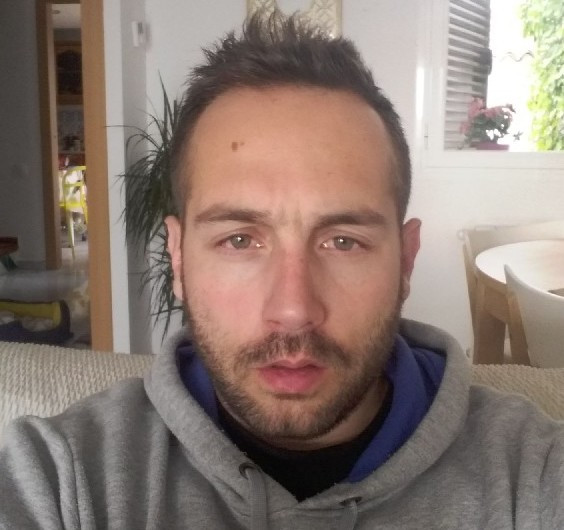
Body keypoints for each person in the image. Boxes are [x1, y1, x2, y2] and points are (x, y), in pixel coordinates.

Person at [1, 14, 563, 530]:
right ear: (178, 256)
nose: (293, 310)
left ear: (406, 259)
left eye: (343, 241)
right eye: (240, 240)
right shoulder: (63, 479)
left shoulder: (533, 474)